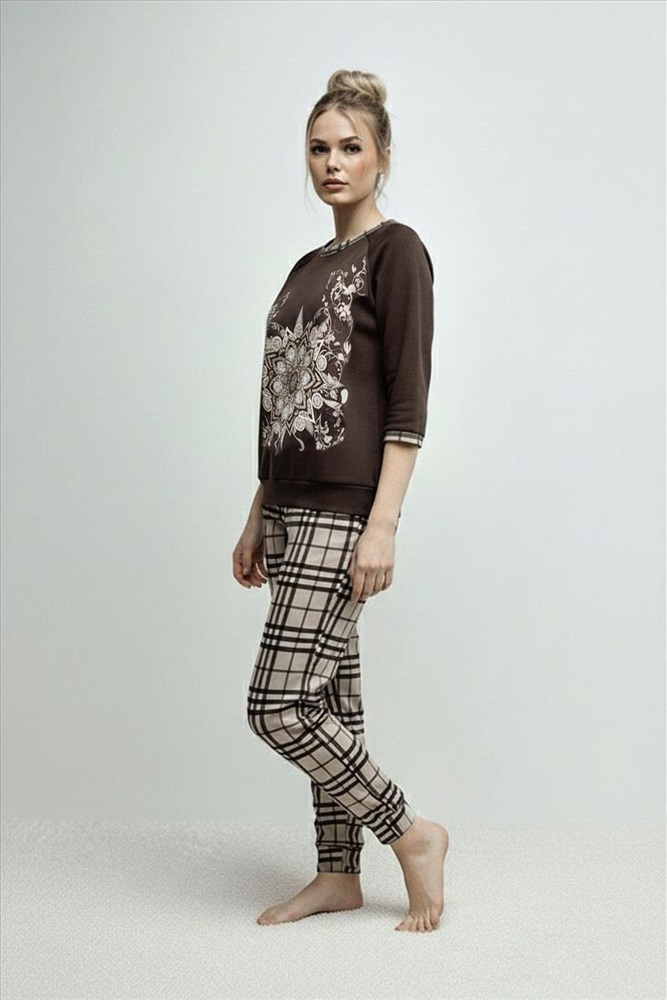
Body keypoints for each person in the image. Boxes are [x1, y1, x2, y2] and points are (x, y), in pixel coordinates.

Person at [232, 68, 449, 933]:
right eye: (318, 148)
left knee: (278, 705)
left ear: (380, 155)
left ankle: (411, 833)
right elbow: (284, 399)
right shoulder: (306, 267)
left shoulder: (397, 252)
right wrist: (257, 511)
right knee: (326, 699)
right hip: (287, 503)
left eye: (350, 148)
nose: (332, 162)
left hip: (344, 508)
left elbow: (406, 403)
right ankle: (336, 873)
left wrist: (382, 524)